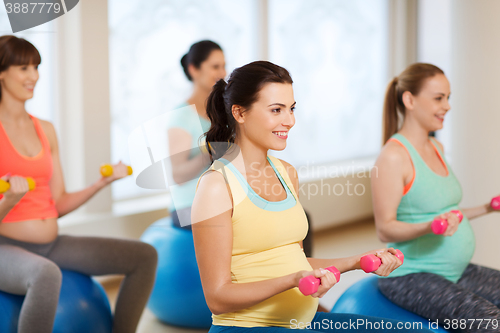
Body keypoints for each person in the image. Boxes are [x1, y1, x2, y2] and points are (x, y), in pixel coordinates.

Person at [191, 60, 432, 333]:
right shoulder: (216, 185)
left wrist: (358, 261)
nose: (290, 121)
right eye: (276, 110)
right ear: (240, 113)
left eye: (291, 109)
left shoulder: (287, 173)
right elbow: (217, 297)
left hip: (301, 323)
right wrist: (292, 280)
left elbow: (297, 261)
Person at [0, 35, 157, 333]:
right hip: (5, 247)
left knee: (144, 256)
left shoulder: (45, 129)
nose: (34, 76)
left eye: (36, 67)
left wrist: (101, 183)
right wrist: (9, 201)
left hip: (52, 243)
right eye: (24, 68)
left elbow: (57, 204)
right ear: (2, 72)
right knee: (46, 275)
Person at [372, 62, 500, 333]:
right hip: (411, 275)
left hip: (455, 269)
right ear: (409, 100)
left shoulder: (436, 146)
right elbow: (385, 228)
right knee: (491, 322)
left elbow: (448, 212)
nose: (447, 106)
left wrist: (488, 207)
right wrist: (431, 226)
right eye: (438, 98)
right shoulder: (393, 157)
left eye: (448, 98)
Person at [167, 40, 226, 229]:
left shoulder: (224, 111)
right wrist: (210, 151)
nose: (222, 73)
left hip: (221, 197)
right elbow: (178, 175)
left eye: (224, 66)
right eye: (215, 67)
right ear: (194, 69)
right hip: (188, 205)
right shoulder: (182, 116)